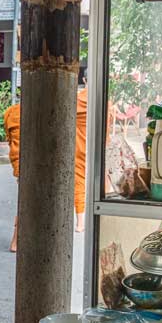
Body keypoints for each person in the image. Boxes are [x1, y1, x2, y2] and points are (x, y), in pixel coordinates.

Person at [3, 100, 21, 253]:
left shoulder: (11, 112)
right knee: (28, 202)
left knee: (26, 200)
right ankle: (15, 241)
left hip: (18, 159)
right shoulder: (36, 112)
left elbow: (9, 139)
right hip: (33, 161)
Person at [74, 83, 89, 233]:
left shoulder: (77, 100)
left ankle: (80, 223)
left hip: (78, 146)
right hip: (94, 146)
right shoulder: (104, 101)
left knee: (79, 183)